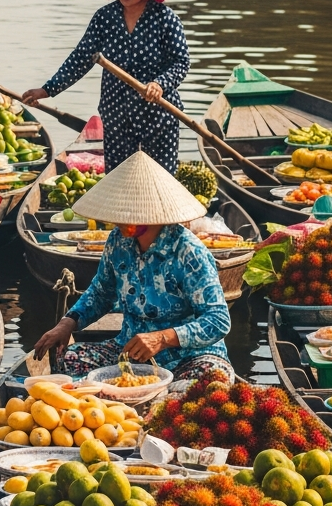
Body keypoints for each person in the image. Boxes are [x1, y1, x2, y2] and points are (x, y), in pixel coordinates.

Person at [33, 151, 233, 382]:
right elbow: (101, 293)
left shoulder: (188, 251)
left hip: (190, 357)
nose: (120, 221)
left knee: (213, 377)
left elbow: (218, 320)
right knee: (67, 359)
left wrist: (163, 338)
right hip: (130, 353)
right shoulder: (118, 240)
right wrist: (67, 323)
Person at [22, 0, 188, 173]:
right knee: (118, 180)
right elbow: (81, 58)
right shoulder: (105, 18)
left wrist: (159, 84)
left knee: (161, 179)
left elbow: (180, 62)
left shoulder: (166, 19)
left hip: (157, 116)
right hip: (116, 114)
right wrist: (47, 89)